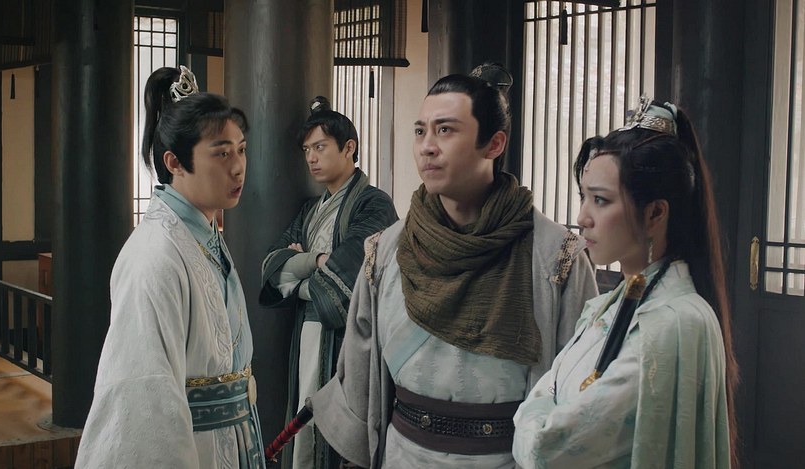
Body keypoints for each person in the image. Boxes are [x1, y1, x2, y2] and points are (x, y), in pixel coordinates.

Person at [309, 71, 599, 468]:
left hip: (507, 458)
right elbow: (361, 374)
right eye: (420, 132)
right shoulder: (387, 250)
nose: (427, 147)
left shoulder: (555, 257)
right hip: (405, 455)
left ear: (494, 143)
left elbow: (579, 390)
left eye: (445, 130)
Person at [512, 96, 738, 468]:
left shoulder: (673, 324)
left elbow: (543, 448)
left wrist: (533, 415)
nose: (582, 217)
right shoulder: (609, 304)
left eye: (600, 200)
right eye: (584, 197)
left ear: (655, 213)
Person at [76, 66, 265, 468]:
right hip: (192, 447)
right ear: (175, 162)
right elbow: (145, 398)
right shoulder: (155, 255)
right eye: (221, 153)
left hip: (232, 440)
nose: (237, 167)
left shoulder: (204, 235)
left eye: (241, 149)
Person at [259, 98, 398, 469]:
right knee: (304, 425)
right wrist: (316, 261)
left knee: (344, 429)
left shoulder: (374, 205)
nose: (311, 158)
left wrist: (300, 275)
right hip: (307, 332)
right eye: (307, 150)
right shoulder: (310, 209)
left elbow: (351, 274)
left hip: (351, 337)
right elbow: (271, 266)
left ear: (348, 147)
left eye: (320, 147)